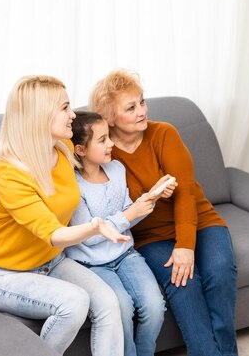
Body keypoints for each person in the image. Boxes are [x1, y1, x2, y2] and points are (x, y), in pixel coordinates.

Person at [91, 69, 239, 356]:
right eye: (130, 107)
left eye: (142, 102)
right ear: (109, 118)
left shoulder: (164, 133)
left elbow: (184, 192)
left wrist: (185, 245)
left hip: (200, 221)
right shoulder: (104, 151)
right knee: (183, 281)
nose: (142, 111)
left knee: (220, 271)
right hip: (150, 237)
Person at [0, 75, 127, 355]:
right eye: (65, 108)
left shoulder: (62, 151)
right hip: (5, 273)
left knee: (108, 302)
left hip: (52, 261)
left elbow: (102, 155)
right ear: (40, 116)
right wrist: (94, 227)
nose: (73, 114)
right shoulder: (8, 175)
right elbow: (53, 234)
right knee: (74, 302)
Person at [66, 111, 175, 356]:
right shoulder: (72, 185)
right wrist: (130, 214)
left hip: (125, 254)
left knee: (155, 306)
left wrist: (150, 198)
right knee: (122, 309)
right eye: (103, 140)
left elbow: (128, 214)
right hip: (92, 264)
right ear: (81, 150)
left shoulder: (116, 169)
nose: (111, 144)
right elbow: (89, 235)